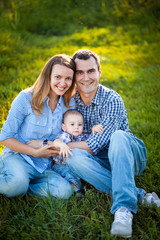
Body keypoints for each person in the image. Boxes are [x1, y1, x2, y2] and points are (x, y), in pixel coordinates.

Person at [64, 49, 160, 238]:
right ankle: (140, 196)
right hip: (99, 160)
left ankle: (123, 209)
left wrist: (61, 146)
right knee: (72, 159)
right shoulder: (70, 102)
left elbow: (93, 145)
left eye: (90, 71)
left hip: (127, 155)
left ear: (99, 72)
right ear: (74, 76)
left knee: (117, 136)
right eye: (80, 72)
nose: (86, 77)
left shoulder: (112, 99)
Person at [0, 54, 77, 199]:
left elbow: (67, 138)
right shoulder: (26, 98)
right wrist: (34, 152)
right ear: (48, 76)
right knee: (15, 185)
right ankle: (16, 181)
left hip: (44, 166)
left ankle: (23, 186)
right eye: (58, 77)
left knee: (64, 192)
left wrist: (44, 146)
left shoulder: (69, 104)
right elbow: (5, 137)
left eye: (68, 78)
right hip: (19, 157)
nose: (63, 83)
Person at [52, 109, 103, 194]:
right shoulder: (66, 135)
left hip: (74, 164)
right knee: (71, 175)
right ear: (64, 127)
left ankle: (86, 184)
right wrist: (62, 145)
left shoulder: (82, 134)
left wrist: (94, 128)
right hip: (61, 165)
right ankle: (76, 190)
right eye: (72, 124)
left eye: (80, 124)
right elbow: (56, 142)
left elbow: (90, 141)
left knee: (81, 171)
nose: (76, 127)